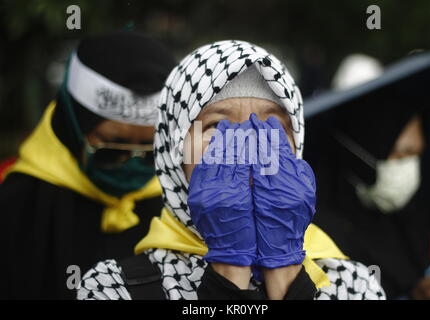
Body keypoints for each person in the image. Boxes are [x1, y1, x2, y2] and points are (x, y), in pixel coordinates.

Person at [77, 40, 385, 300]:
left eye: (272, 125)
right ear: (174, 148)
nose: (246, 143)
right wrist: (228, 269)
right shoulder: (113, 287)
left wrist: (284, 267)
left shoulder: (354, 285)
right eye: (216, 125)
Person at [0, 31, 176, 299]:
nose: (132, 165)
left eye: (151, 152)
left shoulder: (181, 206)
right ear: (72, 126)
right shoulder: (18, 206)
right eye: (110, 151)